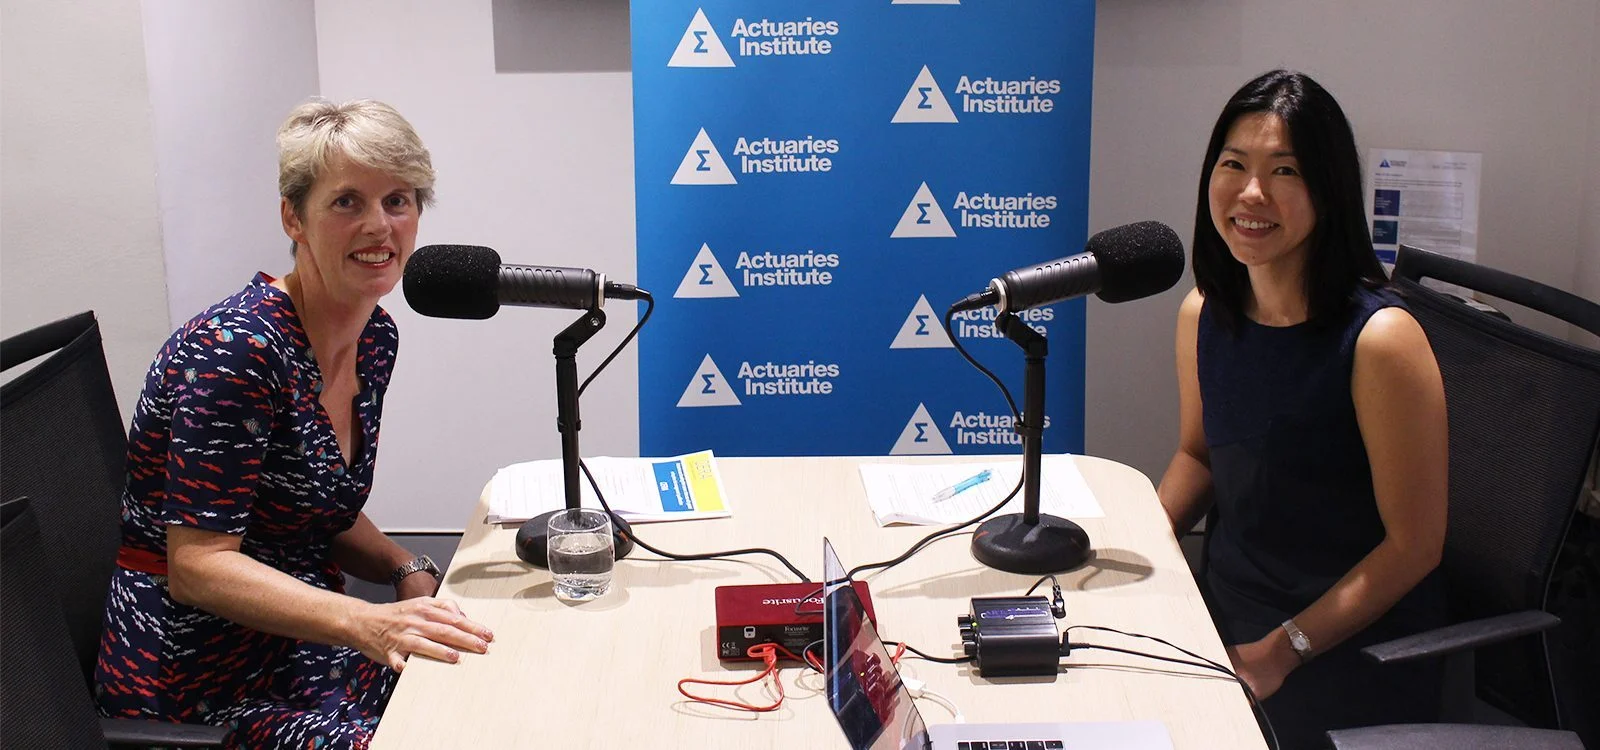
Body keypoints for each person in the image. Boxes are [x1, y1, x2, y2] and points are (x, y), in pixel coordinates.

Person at [96, 99, 494, 749]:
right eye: (347, 202)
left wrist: (403, 564)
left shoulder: (374, 338)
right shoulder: (238, 352)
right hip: (198, 683)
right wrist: (367, 623)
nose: (379, 226)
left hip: (301, 644)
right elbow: (198, 566)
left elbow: (318, 508)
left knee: (482, 684)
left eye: (398, 200)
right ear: (294, 217)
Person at [1157, 70, 1450, 748]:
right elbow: (1198, 455)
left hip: (1343, 647)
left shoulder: (1381, 341)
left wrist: (1282, 651)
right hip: (1224, 618)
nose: (1251, 193)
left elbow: (1416, 547)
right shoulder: (1204, 312)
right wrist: (1149, 542)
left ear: (1328, 189)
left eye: (1284, 170)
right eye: (1234, 164)